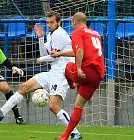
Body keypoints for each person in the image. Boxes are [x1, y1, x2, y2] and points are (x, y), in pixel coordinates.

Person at [0, 11, 82, 139]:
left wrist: (41, 60)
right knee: (24, 87)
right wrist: (41, 38)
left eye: (52, 22)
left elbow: (53, 57)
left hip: (63, 73)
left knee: (53, 106)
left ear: (58, 23)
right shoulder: (51, 35)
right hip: (53, 72)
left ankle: (75, 132)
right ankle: (1, 113)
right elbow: (44, 54)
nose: (49, 25)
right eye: (47, 22)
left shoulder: (60, 34)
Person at [54, 12, 104, 140]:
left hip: (86, 70)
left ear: (74, 21)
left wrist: (79, 68)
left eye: (72, 22)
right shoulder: (96, 34)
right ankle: (65, 136)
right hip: (97, 75)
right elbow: (79, 50)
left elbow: (80, 50)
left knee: (67, 67)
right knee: (78, 105)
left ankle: (72, 82)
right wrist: (61, 54)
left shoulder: (78, 32)